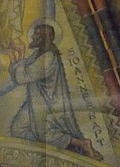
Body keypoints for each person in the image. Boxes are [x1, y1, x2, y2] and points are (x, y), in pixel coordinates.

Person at [7, 21, 93, 152]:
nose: (33, 37)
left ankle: (82, 143)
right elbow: (21, 70)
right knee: (17, 129)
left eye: (36, 35)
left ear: (43, 39)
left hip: (46, 104)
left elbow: (22, 77)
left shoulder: (48, 58)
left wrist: (19, 55)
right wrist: (14, 58)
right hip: (34, 101)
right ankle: (37, 153)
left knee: (45, 135)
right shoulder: (38, 54)